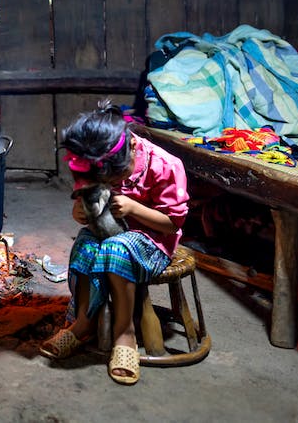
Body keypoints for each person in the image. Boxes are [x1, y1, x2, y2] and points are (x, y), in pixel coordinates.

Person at [39, 101, 189, 386]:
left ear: (131, 148)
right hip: (108, 233)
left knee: (115, 248)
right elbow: (86, 206)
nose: (104, 183)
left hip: (153, 243)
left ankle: (125, 333)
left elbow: (174, 223)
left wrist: (134, 209)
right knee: (85, 243)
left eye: (113, 178)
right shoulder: (93, 160)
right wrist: (80, 212)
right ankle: (83, 322)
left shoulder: (165, 166)